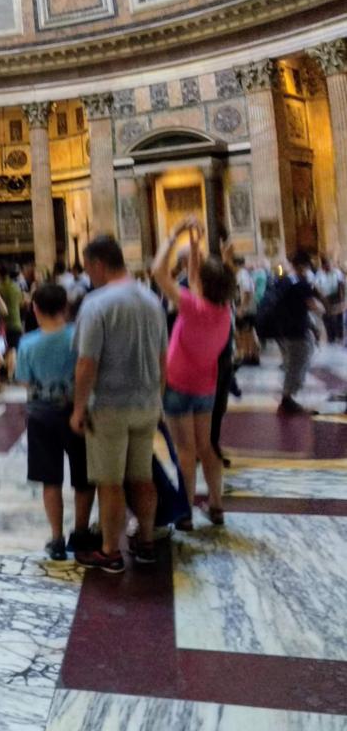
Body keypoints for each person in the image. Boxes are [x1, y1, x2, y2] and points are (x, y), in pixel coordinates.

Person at [71, 234, 167, 574]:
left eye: (88, 269)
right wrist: (158, 398)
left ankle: (110, 551)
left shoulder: (96, 303)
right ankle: (146, 541)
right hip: (146, 402)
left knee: (109, 482)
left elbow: (87, 362)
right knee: (142, 476)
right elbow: (163, 358)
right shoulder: (151, 299)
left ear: (98, 264)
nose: (88, 276)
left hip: (109, 406)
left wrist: (78, 408)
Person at [152, 218, 235, 526]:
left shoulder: (192, 307)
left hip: (178, 386)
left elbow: (158, 273)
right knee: (206, 448)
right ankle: (216, 505)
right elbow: (203, 280)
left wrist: (174, 234)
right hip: (205, 388)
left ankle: (185, 512)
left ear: (201, 286)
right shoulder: (223, 311)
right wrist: (197, 245)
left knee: (185, 452)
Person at [15, 281, 96, 560]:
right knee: (83, 476)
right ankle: (81, 531)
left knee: (50, 479)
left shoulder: (27, 343)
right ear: (66, 307)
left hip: (40, 416)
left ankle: (57, 538)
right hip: (76, 412)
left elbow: (24, 379)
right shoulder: (78, 337)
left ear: (35, 309)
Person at [271, 251, 324, 414]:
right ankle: (287, 399)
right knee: (297, 364)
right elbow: (313, 305)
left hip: (284, 330)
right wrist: (323, 308)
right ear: (303, 266)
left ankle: (289, 397)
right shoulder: (301, 283)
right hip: (297, 331)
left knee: (295, 362)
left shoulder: (284, 281)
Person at [0, 265, 24, 382]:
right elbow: (21, 302)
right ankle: (10, 375)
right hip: (15, 321)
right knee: (13, 349)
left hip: (3, 322)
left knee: (8, 349)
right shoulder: (15, 287)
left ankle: (6, 372)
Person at [315, 256, 345, 344]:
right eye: (327, 265)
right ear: (323, 266)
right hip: (325, 298)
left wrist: (342, 298)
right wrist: (323, 298)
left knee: (339, 318)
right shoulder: (319, 273)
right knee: (327, 318)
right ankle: (331, 337)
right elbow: (316, 286)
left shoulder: (337, 272)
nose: (329, 266)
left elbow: (341, 285)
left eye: (330, 264)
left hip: (336, 297)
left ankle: (339, 336)